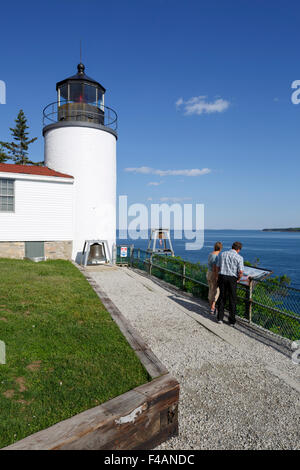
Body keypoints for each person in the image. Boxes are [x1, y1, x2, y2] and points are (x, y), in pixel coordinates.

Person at [215, 241, 244, 326]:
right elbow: (241, 271)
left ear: (232, 247)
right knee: (232, 299)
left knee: (222, 297)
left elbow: (217, 266)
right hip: (232, 279)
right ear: (238, 249)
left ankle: (220, 318)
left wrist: (217, 277)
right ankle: (231, 321)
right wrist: (238, 279)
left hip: (222, 276)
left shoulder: (222, 254)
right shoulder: (239, 258)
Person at [206, 241, 223, 314]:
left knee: (210, 289)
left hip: (208, 273)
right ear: (220, 249)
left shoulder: (210, 254)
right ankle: (213, 307)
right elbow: (215, 268)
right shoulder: (216, 257)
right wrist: (217, 277)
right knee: (216, 291)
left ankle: (211, 306)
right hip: (213, 274)